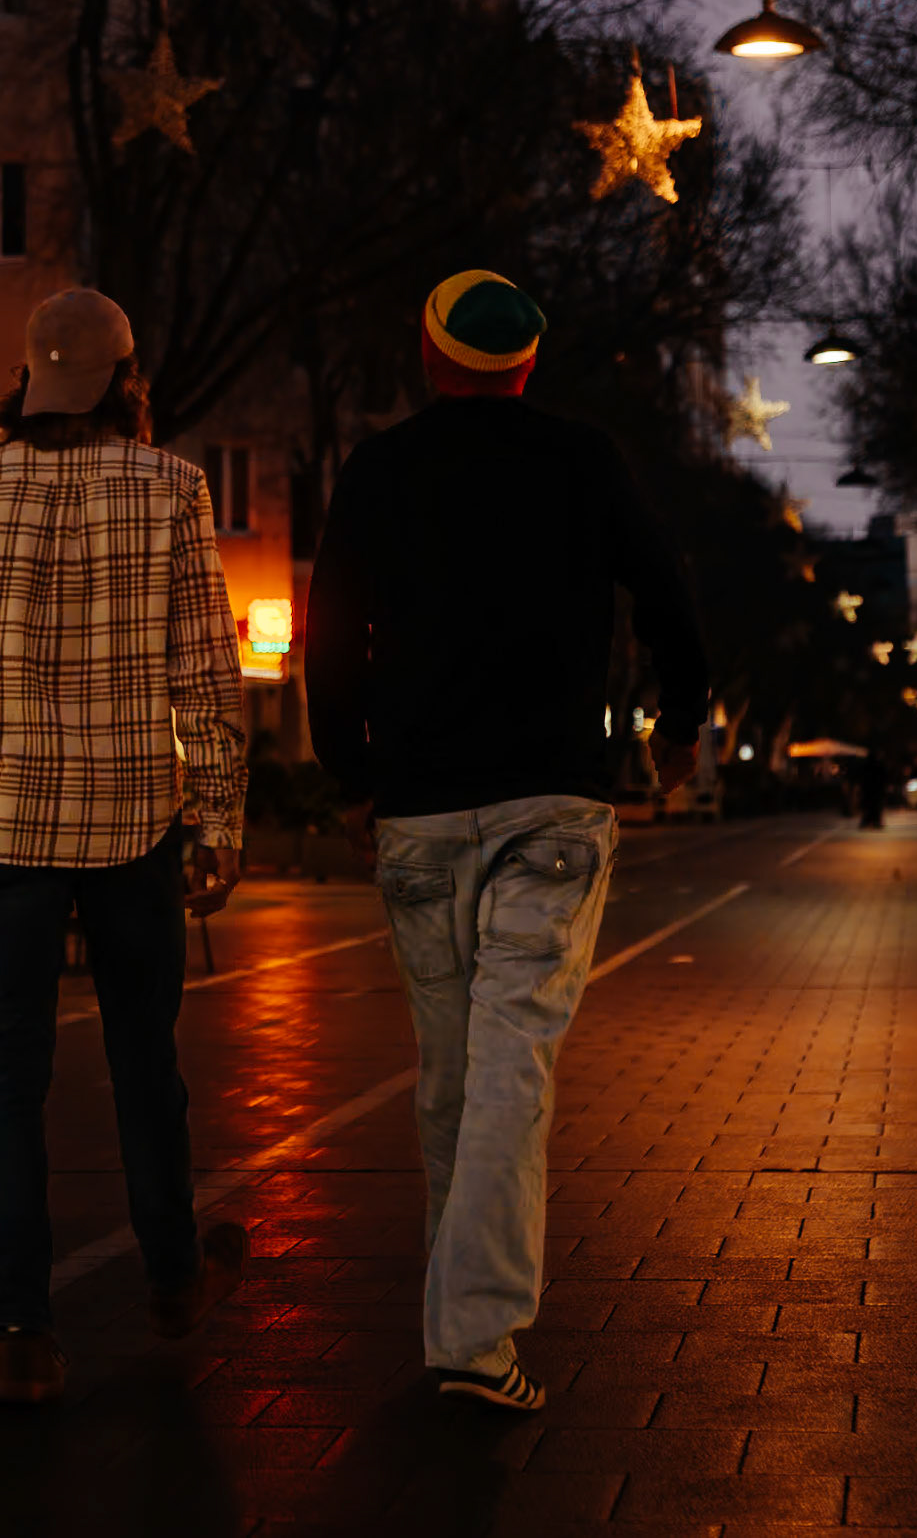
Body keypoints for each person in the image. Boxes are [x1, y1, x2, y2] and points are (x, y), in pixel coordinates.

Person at [304, 269, 709, 1412]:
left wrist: (351, 775)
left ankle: (459, 1318)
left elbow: (333, 628)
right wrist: (678, 726)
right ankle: (473, 1341)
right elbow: (668, 591)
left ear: (430, 362)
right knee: (509, 1069)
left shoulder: (379, 470)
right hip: (551, 812)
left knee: (452, 1075)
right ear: (527, 368)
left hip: (421, 812)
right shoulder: (582, 460)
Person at [0, 288, 250, 1405]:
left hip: (3, 828)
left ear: (26, 389)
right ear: (125, 385)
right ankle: (176, 1277)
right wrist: (223, 815)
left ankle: (20, 1334)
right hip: (136, 819)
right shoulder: (175, 490)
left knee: (11, 1076)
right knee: (147, 1061)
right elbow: (205, 670)